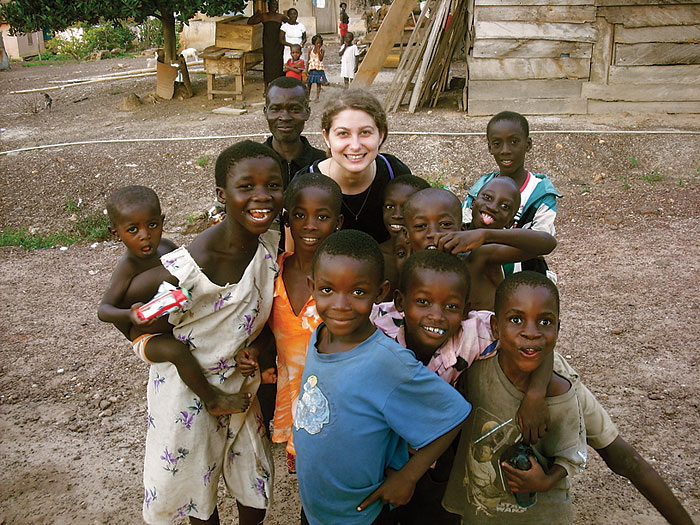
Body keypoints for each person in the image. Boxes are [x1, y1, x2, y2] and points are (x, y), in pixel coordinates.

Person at [379, 256, 695, 525]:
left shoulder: (482, 335)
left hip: (543, 367)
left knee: (622, 457)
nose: (436, 313)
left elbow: (533, 338)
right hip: (510, 362)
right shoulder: (390, 328)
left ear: (463, 309)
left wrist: (536, 392)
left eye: (450, 306)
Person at [122, 141, 284, 524]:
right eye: (246, 187)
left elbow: (261, 317)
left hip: (240, 390)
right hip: (187, 397)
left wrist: (257, 347)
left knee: (254, 483)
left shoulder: (270, 245)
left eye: (273, 185)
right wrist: (159, 349)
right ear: (221, 195)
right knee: (198, 491)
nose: (261, 196)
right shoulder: (193, 265)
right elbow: (133, 316)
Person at [293, 229, 471, 524]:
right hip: (317, 508)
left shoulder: (386, 361)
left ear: (381, 292)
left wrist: (408, 477)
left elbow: (454, 414)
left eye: (358, 292)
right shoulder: (321, 334)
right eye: (327, 290)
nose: (340, 305)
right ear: (312, 286)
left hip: (361, 515)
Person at [443, 271, 587, 523]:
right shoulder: (475, 371)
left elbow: (572, 457)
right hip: (480, 510)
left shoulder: (559, 392)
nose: (531, 332)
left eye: (544, 322)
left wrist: (544, 481)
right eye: (516, 319)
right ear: (496, 327)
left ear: (558, 328)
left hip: (539, 516)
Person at [98, 186, 251, 416]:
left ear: (162, 220)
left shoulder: (167, 248)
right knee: (177, 351)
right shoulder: (127, 267)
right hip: (146, 337)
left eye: (152, 225)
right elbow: (104, 310)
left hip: (173, 320)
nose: (145, 235)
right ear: (116, 233)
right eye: (132, 229)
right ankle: (212, 400)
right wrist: (131, 315)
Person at [267, 173, 343, 474]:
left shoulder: (343, 281)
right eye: (300, 216)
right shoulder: (273, 271)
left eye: (322, 217)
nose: (310, 225)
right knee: (305, 484)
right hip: (291, 403)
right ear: (287, 220)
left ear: (337, 222)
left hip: (335, 408)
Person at [402, 187, 556, 311]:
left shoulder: (478, 258)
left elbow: (547, 244)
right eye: (421, 226)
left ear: (462, 229)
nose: (433, 234)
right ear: (406, 235)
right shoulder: (404, 269)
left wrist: (486, 235)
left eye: (445, 225)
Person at [297, 89, 412, 244]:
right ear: (326, 137)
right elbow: (293, 256)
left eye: (365, 132)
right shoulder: (305, 184)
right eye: (343, 133)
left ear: (381, 135)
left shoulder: (395, 175)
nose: (355, 145)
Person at [462, 111, 562, 275]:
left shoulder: (540, 192)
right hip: (480, 271)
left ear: (528, 144)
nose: (506, 150)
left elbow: (543, 242)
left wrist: (489, 236)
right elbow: (464, 226)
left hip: (524, 277)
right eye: (497, 143)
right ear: (490, 148)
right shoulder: (480, 187)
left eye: (514, 142)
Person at [378, 175, 429, 299]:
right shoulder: (375, 256)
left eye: (406, 207)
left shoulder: (434, 254)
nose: (396, 215)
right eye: (390, 206)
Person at [248, 0, 288, 92]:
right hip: (268, 45)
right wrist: (256, 14)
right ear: (268, 6)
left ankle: (278, 86)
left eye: (276, 5)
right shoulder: (264, 16)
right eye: (272, 5)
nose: (274, 6)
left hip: (278, 45)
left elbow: (290, 22)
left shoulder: (280, 17)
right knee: (268, 65)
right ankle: (266, 88)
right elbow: (250, 22)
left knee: (278, 65)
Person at [306, 34, 328, 101]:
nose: (318, 45)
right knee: (309, 83)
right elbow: (308, 60)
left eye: (320, 43)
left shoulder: (322, 51)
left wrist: (319, 53)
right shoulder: (310, 50)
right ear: (314, 43)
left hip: (319, 70)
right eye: (317, 43)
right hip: (312, 69)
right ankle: (308, 97)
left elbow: (321, 59)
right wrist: (306, 69)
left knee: (319, 83)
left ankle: (317, 97)